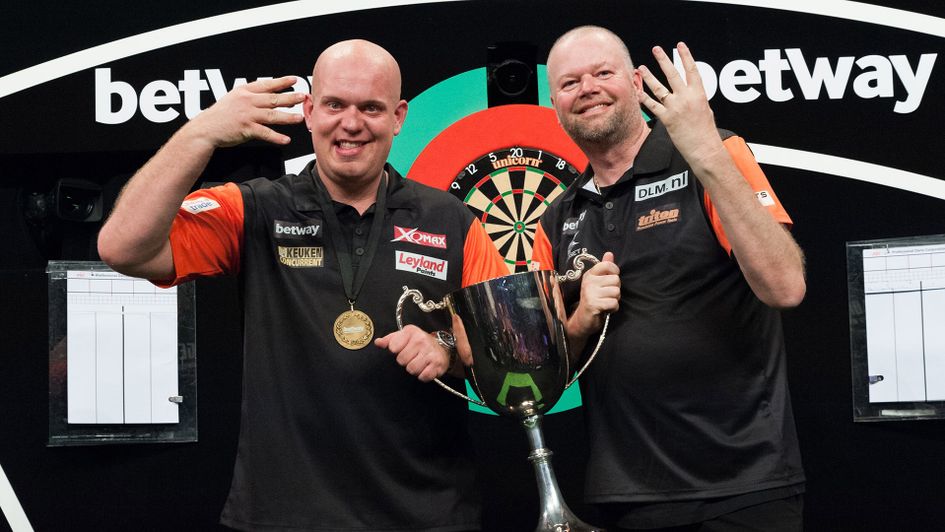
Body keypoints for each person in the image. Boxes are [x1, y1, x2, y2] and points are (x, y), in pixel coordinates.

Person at [97, 39, 506, 531]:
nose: (350, 123)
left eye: (370, 108)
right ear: (309, 111)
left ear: (398, 117)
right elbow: (123, 248)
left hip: (425, 516)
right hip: (282, 517)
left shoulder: (453, 220)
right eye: (335, 104)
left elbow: (511, 360)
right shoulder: (253, 209)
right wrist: (200, 133)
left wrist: (446, 347)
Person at [531, 26, 807, 530]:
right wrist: (583, 319)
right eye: (569, 83)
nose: (587, 88)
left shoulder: (714, 154)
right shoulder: (557, 218)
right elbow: (546, 380)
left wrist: (706, 153)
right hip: (628, 498)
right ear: (555, 104)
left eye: (602, 72)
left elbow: (785, 285)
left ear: (637, 82)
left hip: (743, 488)